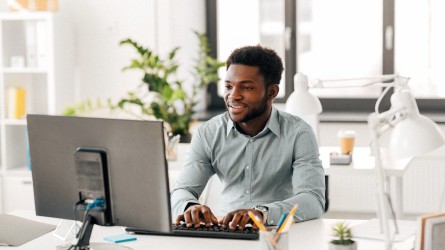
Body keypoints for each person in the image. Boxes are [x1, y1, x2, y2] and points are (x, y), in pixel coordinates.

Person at [170, 45, 325, 230]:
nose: (233, 96)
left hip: (277, 233)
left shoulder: (298, 133)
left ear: (272, 92)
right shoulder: (208, 133)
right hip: (224, 232)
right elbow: (181, 190)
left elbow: (313, 200)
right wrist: (190, 206)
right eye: (228, 86)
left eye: (247, 87)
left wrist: (261, 213)